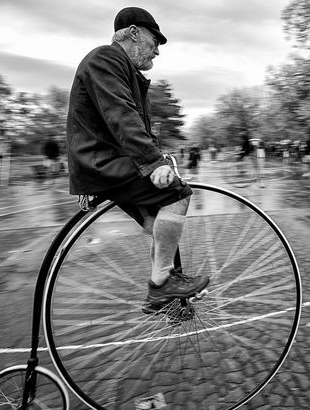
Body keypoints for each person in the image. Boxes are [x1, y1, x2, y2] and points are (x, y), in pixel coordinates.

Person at [66, 6, 209, 312]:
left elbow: (137, 126)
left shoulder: (129, 74)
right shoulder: (105, 59)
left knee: (157, 221)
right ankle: (161, 284)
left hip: (108, 162)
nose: (157, 51)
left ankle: (170, 293)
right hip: (103, 162)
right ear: (133, 33)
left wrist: (156, 158)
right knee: (178, 195)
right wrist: (154, 163)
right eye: (154, 40)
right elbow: (120, 116)